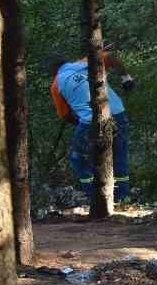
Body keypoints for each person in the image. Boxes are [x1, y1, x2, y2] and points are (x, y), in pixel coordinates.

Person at [51, 49, 134, 205]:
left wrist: (84, 126)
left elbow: (66, 115)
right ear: (67, 61)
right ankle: (123, 199)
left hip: (91, 120)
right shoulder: (83, 63)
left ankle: (94, 198)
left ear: (53, 71)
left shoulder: (56, 84)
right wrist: (126, 78)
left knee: (78, 159)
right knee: (119, 156)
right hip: (118, 113)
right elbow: (110, 56)